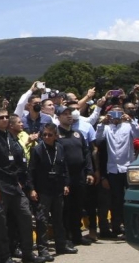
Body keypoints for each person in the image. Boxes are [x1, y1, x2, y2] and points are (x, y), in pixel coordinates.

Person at [0, 108, 46, 263]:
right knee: (1, 224)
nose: (5, 119)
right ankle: (5, 257)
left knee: (26, 218)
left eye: (7, 117)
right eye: (1, 117)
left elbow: (18, 158)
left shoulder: (10, 136)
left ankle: (28, 254)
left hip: (14, 186)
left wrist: (21, 180)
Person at [29, 123, 77, 260]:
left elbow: (64, 168)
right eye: (44, 135)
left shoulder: (60, 148)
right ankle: (43, 249)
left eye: (50, 135)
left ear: (55, 136)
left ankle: (61, 245)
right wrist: (31, 189)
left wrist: (66, 184)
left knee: (58, 219)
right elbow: (31, 171)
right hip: (43, 190)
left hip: (58, 189)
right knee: (42, 221)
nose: (47, 137)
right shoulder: (37, 150)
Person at [96, 106, 139, 238]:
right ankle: (116, 226)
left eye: (119, 113)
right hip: (112, 169)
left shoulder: (128, 126)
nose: (116, 116)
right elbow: (98, 138)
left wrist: (131, 120)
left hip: (128, 167)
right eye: (113, 113)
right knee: (116, 199)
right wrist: (102, 123)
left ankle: (131, 226)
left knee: (130, 198)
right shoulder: (106, 127)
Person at [54, 106, 94, 247]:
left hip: (80, 176)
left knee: (78, 207)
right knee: (66, 209)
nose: (68, 116)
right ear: (58, 117)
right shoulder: (55, 134)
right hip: (64, 177)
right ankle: (66, 238)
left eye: (69, 114)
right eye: (65, 114)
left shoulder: (78, 134)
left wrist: (89, 172)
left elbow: (86, 152)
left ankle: (77, 236)